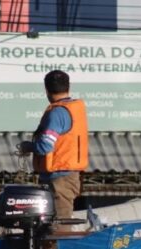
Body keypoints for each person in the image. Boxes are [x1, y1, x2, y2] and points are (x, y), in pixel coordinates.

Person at [19, 70, 89, 220]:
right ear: (68, 87)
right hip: (66, 176)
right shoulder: (73, 109)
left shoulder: (57, 113)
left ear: (46, 90)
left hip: (59, 180)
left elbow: (45, 146)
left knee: (59, 227)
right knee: (55, 226)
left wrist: (28, 147)